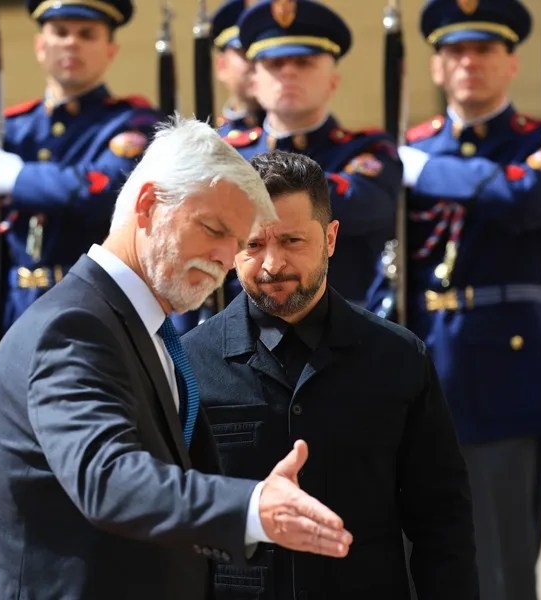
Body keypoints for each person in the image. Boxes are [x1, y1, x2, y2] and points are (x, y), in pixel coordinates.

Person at [0, 117, 353, 600]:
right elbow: (106, 477)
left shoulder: (141, 326)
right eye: (213, 228)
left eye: (236, 242)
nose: (223, 257)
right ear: (148, 204)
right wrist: (250, 507)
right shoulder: (73, 327)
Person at [182, 150, 479, 600]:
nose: (271, 265)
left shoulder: (398, 358)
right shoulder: (189, 364)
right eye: (254, 244)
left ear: (331, 238)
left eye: (292, 242)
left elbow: (442, 523)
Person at [394, 1, 541, 598]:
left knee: (501, 560)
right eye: (454, 51)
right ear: (435, 67)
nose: (468, 62)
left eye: (484, 50)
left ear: (512, 63)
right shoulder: (414, 143)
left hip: (506, 369)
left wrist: (426, 173)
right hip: (422, 360)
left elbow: (531, 198)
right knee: (418, 552)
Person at [0, 0, 162, 338]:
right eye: (60, 32)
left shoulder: (133, 122)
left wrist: (19, 179)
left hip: (95, 303)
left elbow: (102, 189)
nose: (71, 43)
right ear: (40, 46)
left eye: (86, 34)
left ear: (111, 50)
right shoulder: (12, 128)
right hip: (14, 305)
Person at [226, 0, 401, 309]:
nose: (289, 72)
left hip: (343, 334)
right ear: (254, 81)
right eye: (275, 64)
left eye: (304, 62)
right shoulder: (226, 151)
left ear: (333, 80)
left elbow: (366, 206)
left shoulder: (367, 150)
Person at [212, 0, 265, 136]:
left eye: (266, 56)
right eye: (247, 53)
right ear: (222, 66)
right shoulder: (213, 141)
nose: (259, 65)